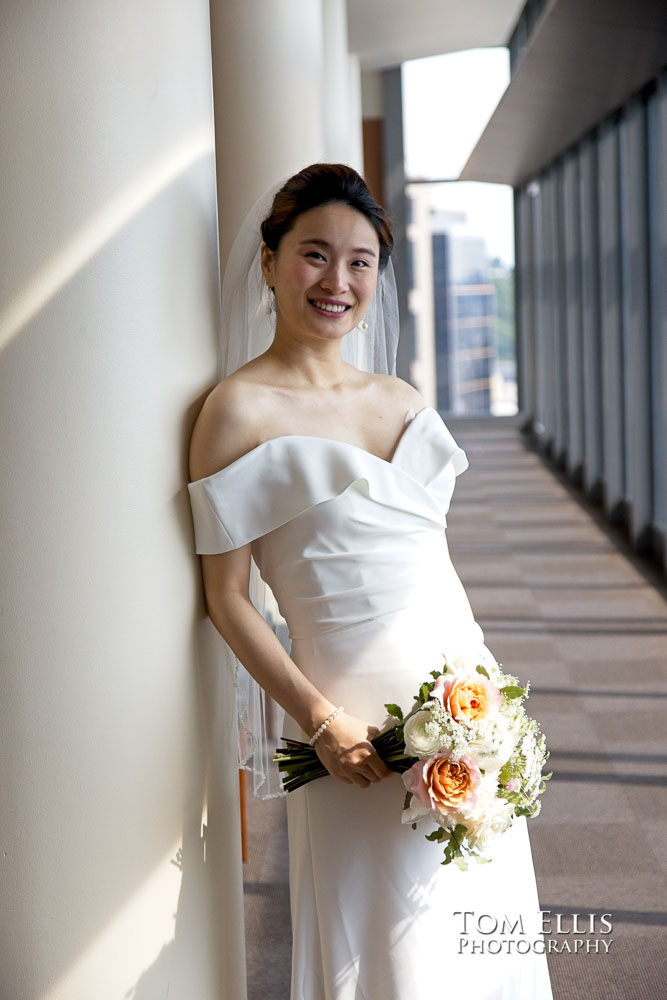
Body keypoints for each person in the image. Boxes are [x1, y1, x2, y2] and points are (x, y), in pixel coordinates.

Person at [188, 164, 553, 1000]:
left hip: (468, 699)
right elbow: (225, 599)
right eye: (314, 255)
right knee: (386, 951)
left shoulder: (398, 398)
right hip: (348, 718)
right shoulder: (235, 411)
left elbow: (435, 564)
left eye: (359, 262)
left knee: (475, 931)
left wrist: (487, 697)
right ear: (271, 260)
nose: (337, 281)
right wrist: (318, 720)